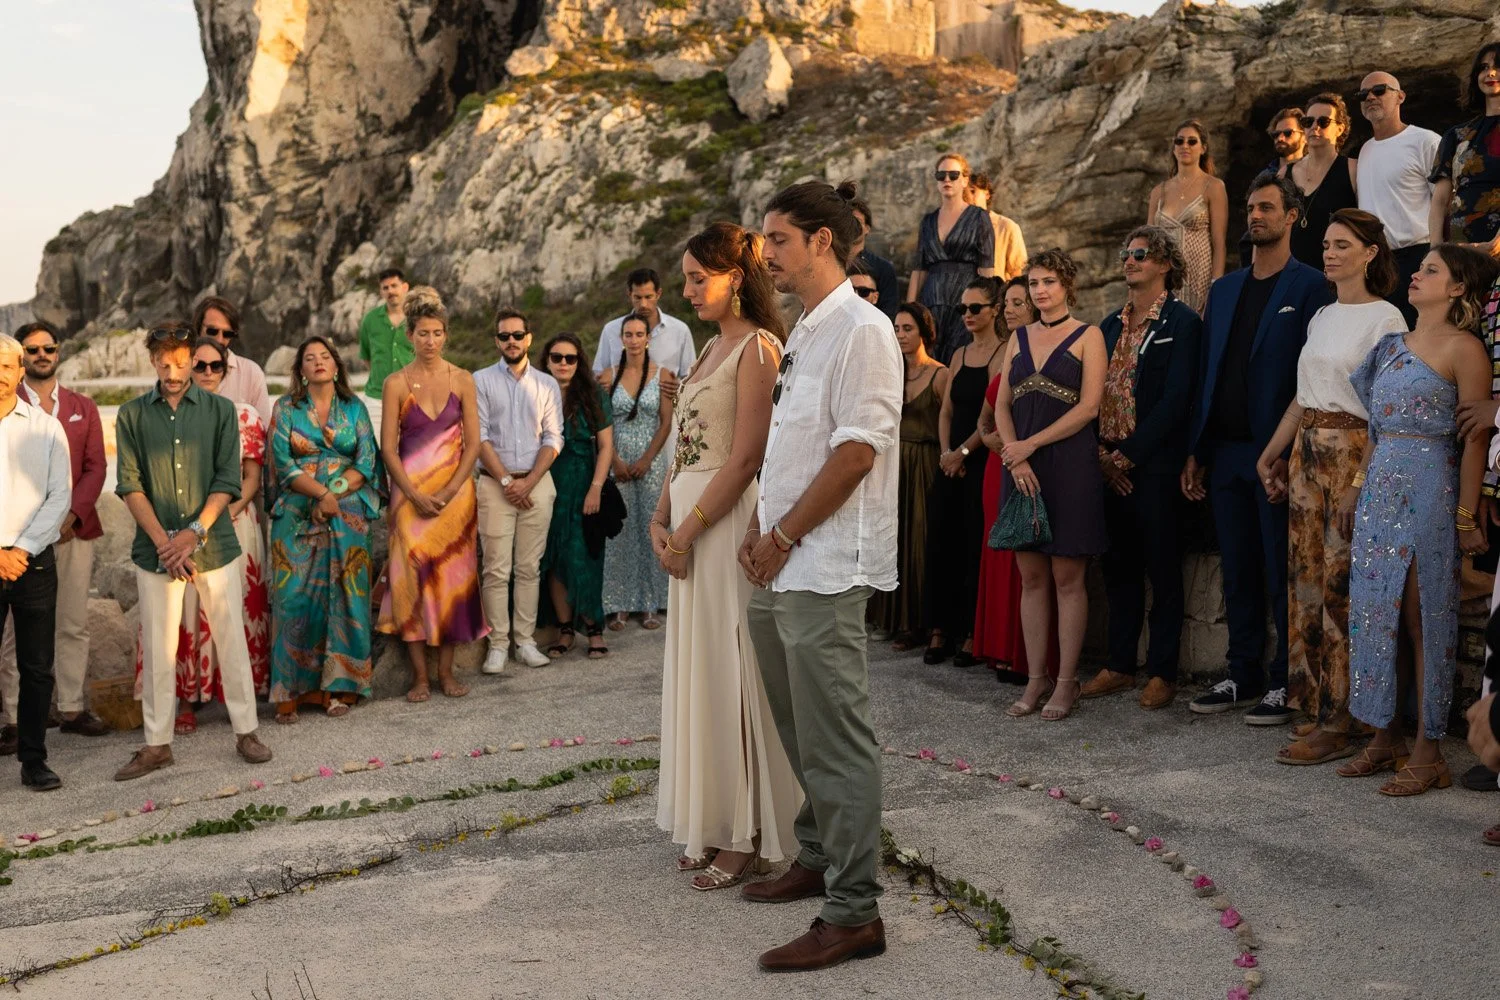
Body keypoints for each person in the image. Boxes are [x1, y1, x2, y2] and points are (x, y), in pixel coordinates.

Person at [739, 180, 900, 972]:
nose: (765, 254)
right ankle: (817, 855)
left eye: (777, 239)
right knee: (798, 722)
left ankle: (854, 911)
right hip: (782, 558)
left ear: (821, 242)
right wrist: (757, 523)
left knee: (836, 736)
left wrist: (785, 535)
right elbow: (790, 443)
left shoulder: (864, 332)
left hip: (826, 564)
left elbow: (856, 452)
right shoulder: (806, 328)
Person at [654, 220, 800, 892]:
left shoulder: (760, 350)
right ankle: (713, 818)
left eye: (696, 278)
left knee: (735, 676)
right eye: (684, 278)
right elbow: (683, 442)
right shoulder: (711, 347)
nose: (686, 291)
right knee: (703, 675)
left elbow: (746, 458)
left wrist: (689, 529)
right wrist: (661, 518)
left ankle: (748, 833)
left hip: (722, 525)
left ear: (735, 277)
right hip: (687, 523)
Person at [1253, 209, 1406, 764]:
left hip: (1353, 456)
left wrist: (1358, 483)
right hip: (1305, 452)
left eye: (1343, 244)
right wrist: (1270, 454)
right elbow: (1304, 395)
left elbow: (1386, 409)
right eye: (1326, 244)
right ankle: (1315, 705)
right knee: (1306, 580)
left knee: (1344, 590)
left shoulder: (1387, 319)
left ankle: (1346, 718)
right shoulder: (1321, 314)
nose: (1331, 252)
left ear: (1370, 253)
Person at [1342, 245, 1496, 794]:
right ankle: (1384, 738)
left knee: (1420, 617)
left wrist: (1463, 516)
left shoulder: (1466, 349)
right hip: (1380, 489)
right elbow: (1374, 431)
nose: (1416, 274)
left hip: (1432, 488)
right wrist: (1356, 489)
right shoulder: (1389, 347)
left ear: (1457, 289)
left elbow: (1476, 438)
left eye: (1431, 270)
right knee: (1374, 614)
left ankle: (1430, 751)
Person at [1184, 173, 1335, 724]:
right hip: (1224, 452)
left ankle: (1282, 681)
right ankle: (1241, 672)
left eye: (1267, 207)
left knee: (1280, 569)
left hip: (1279, 453)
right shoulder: (1223, 290)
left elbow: (1310, 376)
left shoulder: (1312, 286)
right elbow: (1208, 374)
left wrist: (1287, 449)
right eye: (1250, 208)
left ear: (1292, 216)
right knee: (1238, 570)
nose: (1255, 216)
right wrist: (1196, 450)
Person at [113, 322, 272, 780]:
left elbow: (228, 481)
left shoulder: (222, 411)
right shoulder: (131, 416)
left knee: (231, 638)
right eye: (164, 361)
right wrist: (167, 543)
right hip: (157, 550)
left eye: (181, 360)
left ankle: (246, 732)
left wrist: (192, 536)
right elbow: (130, 485)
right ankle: (157, 744)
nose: (174, 369)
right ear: (152, 362)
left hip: (213, 543)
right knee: (161, 646)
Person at [1082, 227, 1201, 711]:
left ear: (1164, 263)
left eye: (1140, 254)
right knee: (1119, 569)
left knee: (1163, 569)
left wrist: (1128, 456)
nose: (1128, 261)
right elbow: (1089, 395)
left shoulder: (1183, 322)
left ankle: (1162, 672)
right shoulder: (1108, 325)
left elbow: (1176, 401)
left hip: (1151, 465)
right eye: (1125, 254)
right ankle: (1119, 665)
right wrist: (1102, 458)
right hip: (1108, 463)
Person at [994, 250, 1108, 721]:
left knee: (1067, 578)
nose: (1040, 290)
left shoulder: (1090, 336)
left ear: (1067, 286)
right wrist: (1014, 453)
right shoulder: (1017, 338)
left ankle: (1067, 682)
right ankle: (1035, 679)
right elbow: (1001, 405)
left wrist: (1028, 445)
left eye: (1049, 282)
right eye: (1035, 282)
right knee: (1032, 578)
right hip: (1020, 467)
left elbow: (1088, 408)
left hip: (1070, 466)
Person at [375, 286, 487, 700]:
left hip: (456, 500)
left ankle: (447, 673)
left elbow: (473, 444)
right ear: (410, 336)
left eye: (437, 333)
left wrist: (453, 489)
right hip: (409, 499)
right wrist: (414, 496)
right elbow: (388, 448)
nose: (430, 340)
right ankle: (420, 677)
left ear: (446, 336)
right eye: (422, 333)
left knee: (453, 584)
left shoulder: (463, 379)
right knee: (410, 584)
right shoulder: (395, 384)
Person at [0, 321, 109, 742]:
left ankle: (71, 707)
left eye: (50, 347)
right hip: (19, 542)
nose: (42, 354)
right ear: (20, 357)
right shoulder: (10, 401)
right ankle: (13, 716)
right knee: (14, 632)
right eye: (32, 349)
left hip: (73, 532)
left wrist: (70, 516)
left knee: (72, 622)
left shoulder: (84, 405)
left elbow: (96, 467)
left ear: (58, 352)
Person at [268, 337, 381, 722]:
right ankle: (293, 689)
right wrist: (317, 494)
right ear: (300, 369)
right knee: (294, 597)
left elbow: (366, 460)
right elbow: (281, 462)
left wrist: (331, 494)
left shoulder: (355, 407)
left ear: (337, 365)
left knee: (346, 595)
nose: (318, 362)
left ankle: (341, 686)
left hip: (346, 508)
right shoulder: (285, 408)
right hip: (297, 507)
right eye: (309, 358)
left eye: (325, 357)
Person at [923, 277, 1007, 667]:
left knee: (974, 542)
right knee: (942, 540)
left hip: (978, 461)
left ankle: (974, 633)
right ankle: (941, 627)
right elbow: (946, 411)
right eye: (963, 309)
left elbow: (989, 416)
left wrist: (962, 452)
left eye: (975, 308)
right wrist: (945, 453)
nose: (968, 315)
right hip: (950, 461)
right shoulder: (957, 354)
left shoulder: (1004, 353)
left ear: (994, 310)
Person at [473, 308, 563, 673]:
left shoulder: (547, 383)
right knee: (496, 569)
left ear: (529, 338)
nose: (511, 341)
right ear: (497, 341)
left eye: (517, 335)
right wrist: (509, 483)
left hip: (537, 483)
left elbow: (554, 436)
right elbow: (478, 437)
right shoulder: (479, 380)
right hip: (495, 485)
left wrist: (528, 481)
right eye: (504, 336)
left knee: (529, 567)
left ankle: (525, 642)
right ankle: (497, 645)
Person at [0, 333, 70, 790]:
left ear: (21, 371)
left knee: (37, 666)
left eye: (7, 366)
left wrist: (20, 549)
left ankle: (33, 759)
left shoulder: (46, 427)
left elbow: (59, 496)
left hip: (34, 563)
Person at [973, 277, 1048, 679]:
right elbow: (985, 420)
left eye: (1018, 302)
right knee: (999, 557)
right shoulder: (1008, 353)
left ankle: (1027, 657)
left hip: (1037, 463)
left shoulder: (1050, 348)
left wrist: (1022, 446)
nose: (1009, 309)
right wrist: (992, 441)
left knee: (1030, 563)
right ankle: (999, 648)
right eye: (1007, 303)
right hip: (998, 467)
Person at [868, 302, 947, 648]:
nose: (900, 335)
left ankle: (917, 625)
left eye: (907, 329)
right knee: (893, 538)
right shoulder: (890, 370)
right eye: (897, 329)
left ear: (924, 332)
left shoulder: (940, 374)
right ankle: (891, 618)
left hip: (926, 462)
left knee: (920, 541)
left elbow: (949, 422)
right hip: (893, 461)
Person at [539, 333, 615, 660]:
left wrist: (596, 487)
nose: (564, 364)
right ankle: (565, 629)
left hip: (584, 483)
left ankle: (594, 628)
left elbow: (607, 446)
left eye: (570, 358)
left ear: (579, 361)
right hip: (546, 482)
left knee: (586, 556)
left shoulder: (594, 395)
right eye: (557, 358)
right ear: (546, 361)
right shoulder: (537, 392)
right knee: (554, 557)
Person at [601, 312, 673, 630]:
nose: (633, 340)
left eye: (639, 334)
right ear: (621, 339)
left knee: (650, 529)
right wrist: (613, 459)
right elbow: (599, 421)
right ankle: (618, 603)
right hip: (616, 462)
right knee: (619, 532)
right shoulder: (607, 376)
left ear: (648, 338)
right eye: (627, 334)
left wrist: (647, 459)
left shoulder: (663, 375)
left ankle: (650, 603)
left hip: (651, 463)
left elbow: (666, 421)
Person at [1356, 71, 1441, 326]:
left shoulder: (1425, 141)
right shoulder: (1365, 149)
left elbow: (1446, 203)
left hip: (1417, 257)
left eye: (1379, 90)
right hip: (1374, 262)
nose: (1370, 96)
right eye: (1363, 94)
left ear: (1400, 96)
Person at [909, 154, 996, 363]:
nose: (947, 180)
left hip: (964, 303)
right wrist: (910, 310)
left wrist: (987, 307)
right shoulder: (927, 221)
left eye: (953, 174)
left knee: (961, 359)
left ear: (964, 180)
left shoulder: (978, 217)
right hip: (931, 301)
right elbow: (919, 269)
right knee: (928, 360)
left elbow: (986, 270)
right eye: (941, 175)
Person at [1147, 119, 1228, 314]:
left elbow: (1219, 243)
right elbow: (1146, 244)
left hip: (1199, 279)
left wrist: (1214, 288)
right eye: (1179, 141)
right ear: (1173, 148)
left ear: (1203, 148)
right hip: (1163, 280)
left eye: (1192, 141)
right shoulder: (1159, 191)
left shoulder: (1214, 186)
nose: (1185, 146)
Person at [1430, 43, 1500, 255]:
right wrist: (1436, 248)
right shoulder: (1456, 135)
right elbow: (1440, 200)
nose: (1491, 73)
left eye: (1498, 66)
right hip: (1461, 251)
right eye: (1483, 67)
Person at [1287, 94, 1360, 270]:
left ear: (1340, 129)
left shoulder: (1353, 169)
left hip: (1335, 272)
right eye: (1308, 121)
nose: (1314, 127)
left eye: (1323, 122)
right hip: (1290, 273)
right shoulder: (1285, 173)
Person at [592, 268, 696, 389]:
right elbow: (599, 373)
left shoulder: (680, 331)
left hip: (668, 404)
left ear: (658, 294)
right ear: (629, 295)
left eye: (648, 297)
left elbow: (691, 377)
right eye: (637, 297)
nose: (643, 304)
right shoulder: (611, 330)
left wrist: (678, 387)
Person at [1238, 108, 1307, 268]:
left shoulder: (1313, 173)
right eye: (1276, 134)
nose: (1280, 138)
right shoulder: (1266, 174)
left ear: (1304, 135)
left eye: (1288, 132)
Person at [193, 296, 271, 426]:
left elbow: (264, 429)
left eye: (227, 334)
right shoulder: (181, 370)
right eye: (212, 331)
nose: (219, 339)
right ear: (198, 328)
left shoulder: (251, 373)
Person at [357, 267, 413, 431]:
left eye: (394, 286)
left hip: (411, 396)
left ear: (405, 287)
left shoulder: (416, 319)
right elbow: (366, 357)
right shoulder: (370, 320)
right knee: (376, 449)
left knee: (410, 450)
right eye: (385, 288)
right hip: (376, 399)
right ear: (381, 292)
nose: (390, 291)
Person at [847, 190, 901, 319]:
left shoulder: (884, 268)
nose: (853, 226)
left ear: (867, 228)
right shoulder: (829, 265)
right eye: (849, 221)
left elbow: (890, 311)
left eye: (857, 221)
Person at [968, 171, 1029, 280]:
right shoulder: (953, 228)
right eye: (964, 194)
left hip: (995, 294)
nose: (969, 198)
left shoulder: (1006, 227)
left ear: (987, 194)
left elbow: (1017, 272)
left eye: (973, 191)